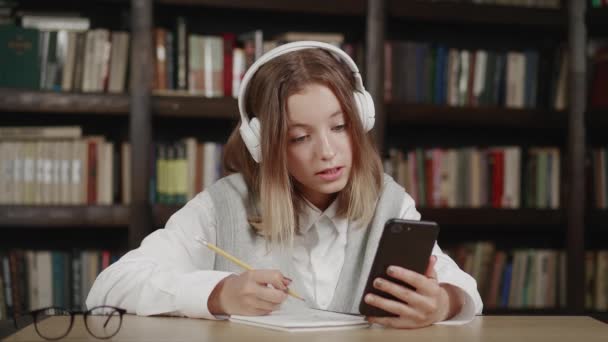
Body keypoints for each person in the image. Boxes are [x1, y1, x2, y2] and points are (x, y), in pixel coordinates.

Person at [87, 41, 483, 329]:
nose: (327, 152)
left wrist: (443, 303)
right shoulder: (222, 207)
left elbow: (464, 290)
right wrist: (217, 292)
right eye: (299, 138)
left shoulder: (391, 204)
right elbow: (108, 288)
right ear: (265, 144)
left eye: (340, 127)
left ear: (360, 121)